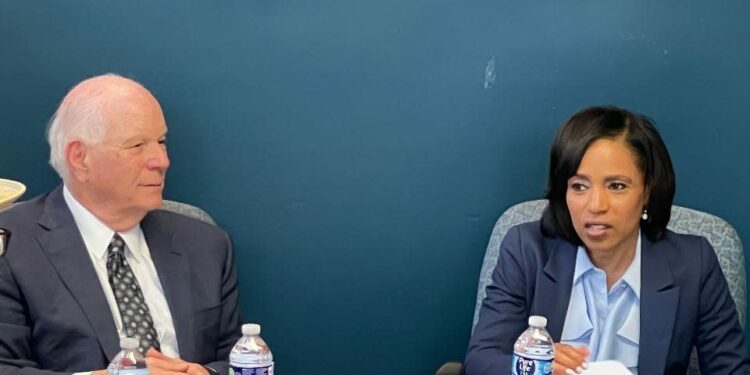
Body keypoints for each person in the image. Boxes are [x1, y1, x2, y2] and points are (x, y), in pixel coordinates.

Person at [464, 106, 749, 374]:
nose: (596, 205)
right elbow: (481, 359)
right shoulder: (526, 249)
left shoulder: (693, 263)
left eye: (616, 186)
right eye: (579, 186)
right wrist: (532, 367)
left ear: (647, 190)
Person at [0, 74, 241, 375]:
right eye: (137, 145)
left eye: (161, 141)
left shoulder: (205, 243)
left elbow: (237, 356)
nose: (161, 160)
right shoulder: (12, 246)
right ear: (80, 158)